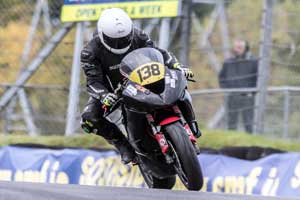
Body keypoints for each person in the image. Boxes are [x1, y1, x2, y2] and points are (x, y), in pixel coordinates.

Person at [80, 8, 200, 164]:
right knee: (89, 119)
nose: (120, 42)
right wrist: (104, 95)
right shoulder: (90, 52)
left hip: (145, 77)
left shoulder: (139, 35)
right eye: (114, 40)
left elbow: (159, 53)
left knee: (178, 82)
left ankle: (191, 123)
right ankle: (124, 146)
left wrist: (178, 66)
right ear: (102, 35)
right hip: (113, 90)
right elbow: (93, 81)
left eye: (124, 38)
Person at [218, 39, 258, 133]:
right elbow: (221, 77)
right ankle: (231, 144)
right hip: (232, 97)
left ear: (245, 47)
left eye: (240, 47)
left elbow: (258, 78)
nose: (238, 49)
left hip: (247, 97)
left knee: (249, 123)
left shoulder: (253, 61)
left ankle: (250, 142)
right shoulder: (228, 62)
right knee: (231, 123)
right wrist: (227, 90)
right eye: (236, 47)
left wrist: (252, 92)